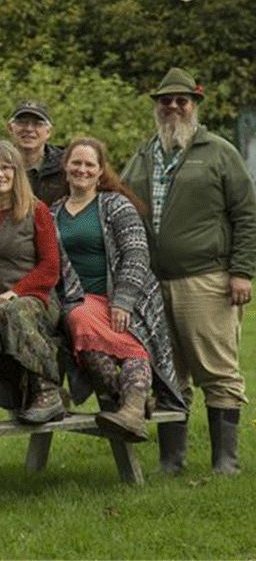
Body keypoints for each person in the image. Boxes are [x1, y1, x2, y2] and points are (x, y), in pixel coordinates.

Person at [122, 67, 256, 474]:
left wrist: (242, 271)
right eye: (166, 101)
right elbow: (121, 201)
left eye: (182, 100)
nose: (173, 107)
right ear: (157, 107)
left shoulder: (219, 152)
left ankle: (225, 461)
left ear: (195, 105)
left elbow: (246, 214)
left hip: (206, 278)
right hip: (154, 282)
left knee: (217, 370)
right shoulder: (144, 154)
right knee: (168, 372)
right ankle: (172, 460)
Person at [53, 137, 185, 444]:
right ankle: (133, 403)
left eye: (89, 164)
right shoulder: (51, 213)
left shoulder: (115, 205)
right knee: (80, 319)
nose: (82, 169)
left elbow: (137, 254)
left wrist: (123, 301)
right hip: (76, 300)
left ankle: (130, 407)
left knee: (130, 342)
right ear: (65, 166)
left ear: (100, 171)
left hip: (121, 297)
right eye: (76, 163)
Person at [0, 141, 65, 423]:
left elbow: (50, 267)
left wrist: (14, 293)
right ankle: (11, 390)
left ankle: (47, 391)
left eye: (7, 167)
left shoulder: (35, 211)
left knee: (11, 312)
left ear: (17, 173)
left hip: (34, 299)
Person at [7, 99, 68, 206]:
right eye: (22, 122)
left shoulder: (66, 165)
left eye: (37, 124)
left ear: (49, 132)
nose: (29, 129)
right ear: (10, 128)